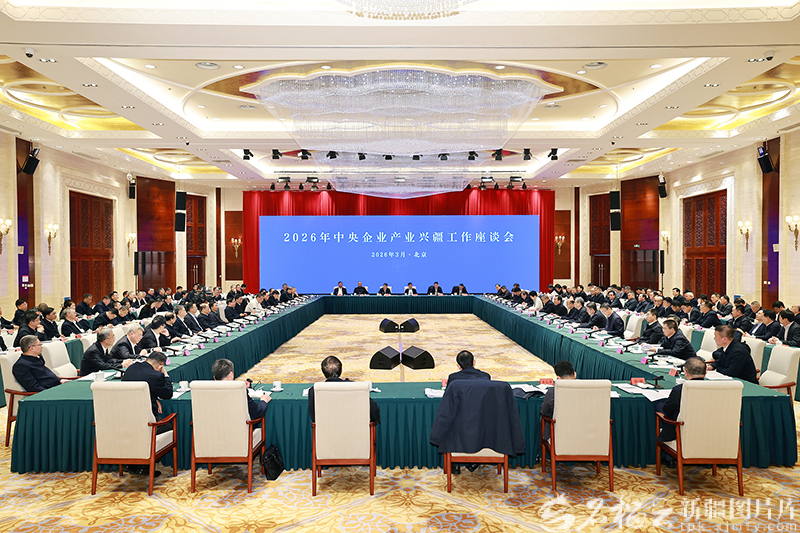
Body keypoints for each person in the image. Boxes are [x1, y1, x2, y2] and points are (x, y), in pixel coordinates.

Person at [307, 355, 379, 423]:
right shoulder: (355, 388)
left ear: (323, 373)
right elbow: (374, 412)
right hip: (354, 430)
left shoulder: (314, 391)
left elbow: (314, 418)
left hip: (326, 431)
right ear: (341, 370)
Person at [656, 356, 707, 445]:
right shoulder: (715, 389)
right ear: (705, 372)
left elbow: (667, 410)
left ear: (686, 372)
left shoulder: (679, 390)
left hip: (681, 432)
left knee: (659, 405)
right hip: (708, 431)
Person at [540, 360, 576, 440]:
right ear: (575, 374)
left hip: (559, 438)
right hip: (585, 436)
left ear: (558, 378)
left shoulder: (553, 392)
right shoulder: (585, 390)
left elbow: (544, 412)